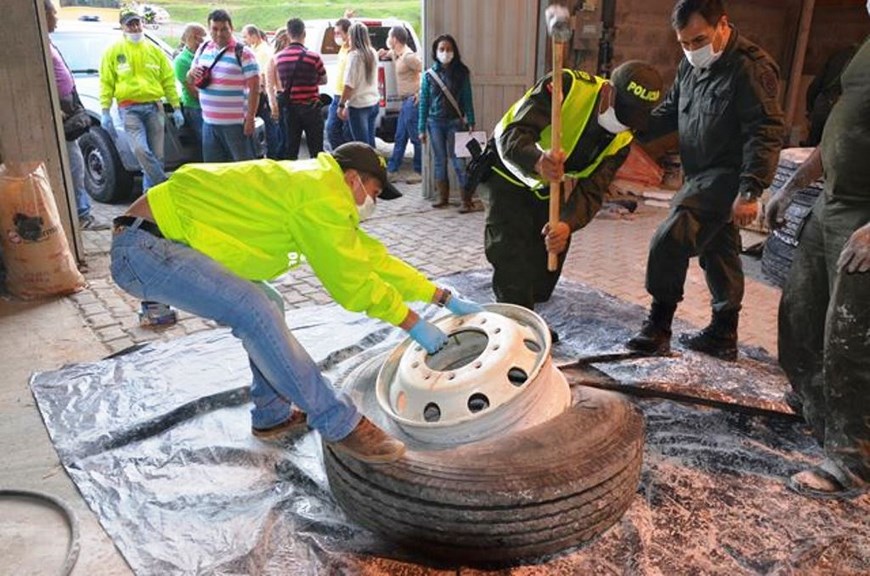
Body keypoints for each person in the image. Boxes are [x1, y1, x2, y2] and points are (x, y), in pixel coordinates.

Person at [109, 142, 484, 464]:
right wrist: (411, 322)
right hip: (144, 247)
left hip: (163, 240)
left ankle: (270, 415)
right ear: (351, 178)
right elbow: (351, 284)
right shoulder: (321, 195)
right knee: (254, 308)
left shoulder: (317, 188)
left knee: (267, 301)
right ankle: (339, 423)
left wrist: (441, 297)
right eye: (372, 190)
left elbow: (374, 260)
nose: (372, 202)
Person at [626, 0, 785, 360]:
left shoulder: (750, 69)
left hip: (727, 176)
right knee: (720, 251)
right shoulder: (690, 67)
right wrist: (627, 122)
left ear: (723, 25)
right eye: (683, 43)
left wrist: (750, 189)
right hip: (699, 173)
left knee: (670, 238)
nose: (691, 50)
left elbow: (765, 131)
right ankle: (723, 332)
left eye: (698, 40)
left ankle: (658, 326)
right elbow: (670, 114)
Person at [766, 31, 870, 499]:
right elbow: (842, 130)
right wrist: (790, 189)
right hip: (830, 204)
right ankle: (816, 405)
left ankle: (853, 461)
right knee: (800, 315)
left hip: (864, 217)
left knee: (849, 342)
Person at [483, 61, 662, 319]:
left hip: (548, 183)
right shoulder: (565, 86)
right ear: (608, 91)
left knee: (547, 263)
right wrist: (537, 160)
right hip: (507, 169)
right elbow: (514, 134)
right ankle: (519, 324)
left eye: (634, 116)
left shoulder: (624, 138)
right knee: (512, 254)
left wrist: (567, 224)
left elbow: (593, 189)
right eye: (623, 111)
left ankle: (529, 306)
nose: (624, 123)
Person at [99, 8, 184, 192]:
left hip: (155, 107)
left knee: (157, 156)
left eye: (137, 23)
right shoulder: (114, 52)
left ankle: (151, 199)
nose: (135, 27)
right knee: (141, 151)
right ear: (122, 27)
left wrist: (176, 106)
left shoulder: (155, 50)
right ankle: (165, 186)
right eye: (130, 24)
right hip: (129, 110)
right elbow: (106, 82)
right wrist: (105, 111)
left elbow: (168, 80)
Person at [44, 0, 109, 230]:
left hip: (69, 107)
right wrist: (52, 106)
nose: (56, 18)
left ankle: (80, 213)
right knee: (74, 166)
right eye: (53, 14)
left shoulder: (48, 41)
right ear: (43, 15)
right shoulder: (38, 44)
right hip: (60, 114)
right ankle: (81, 215)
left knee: (75, 164)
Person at [188, 9, 259, 162]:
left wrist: (250, 119)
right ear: (209, 29)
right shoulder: (203, 49)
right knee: (214, 171)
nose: (219, 33)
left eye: (224, 29)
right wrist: (191, 72)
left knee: (242, 168)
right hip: (209, 123)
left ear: (231, 29)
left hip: (236, 125)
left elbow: (255, 87)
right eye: (214, 29)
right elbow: (189, 78)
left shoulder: (243, 53)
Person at [418, 34, 476, 210]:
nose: (445, 52)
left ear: (454, 52)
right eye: (441, 49)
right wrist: (421, 128)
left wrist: (471, 120)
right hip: (434, 123)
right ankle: (442, 197)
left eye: (449, 49)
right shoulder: (429, 76)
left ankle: (466, 200)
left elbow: (467, 97)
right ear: (435, 52)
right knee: (440, 161)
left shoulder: (462, 72)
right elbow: (424, 102)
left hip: (455, 123)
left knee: (459, 161)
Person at [269, 18, 327, 160]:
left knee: (291, 149)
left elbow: (278, 84)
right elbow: (324, 80)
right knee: (316, 150)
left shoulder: (278, 58)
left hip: (290, 109)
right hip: (311, 108)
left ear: (288, 34)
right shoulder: (313, 57)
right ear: (304, 33)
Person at [379, 25, 423, 181]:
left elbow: (425, 70)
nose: (388, 40)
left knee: (416, 138)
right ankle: (392, 170)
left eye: (389, 37)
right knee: (400, 137)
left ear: (395, 39)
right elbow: (388, 52)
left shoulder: (408, 56)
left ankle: (420, 172)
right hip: (404, 103)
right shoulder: (396, 54)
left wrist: (420, 93)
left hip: (412, 101)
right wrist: (383, 52)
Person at [803, 43, 857, 147]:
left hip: (822, 104)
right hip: (841, 111)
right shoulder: (861, 61)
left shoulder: (839, 55)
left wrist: (809, 112)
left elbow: (814, 86)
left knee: (811, 149)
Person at [243, 24, 282, 159]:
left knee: (267, 126)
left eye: (246, 36)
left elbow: (263, 75)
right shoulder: (255, 49)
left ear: (254, 36)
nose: (245, 39)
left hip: (262, 94)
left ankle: (273, 155)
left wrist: (261, 93)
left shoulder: (263, 51)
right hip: (257, 92)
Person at [337, 22, 380, 147]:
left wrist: (341, 105)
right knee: (371, 144)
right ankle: (375, 165)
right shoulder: (372, 52)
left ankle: (365, 166)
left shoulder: (355, 56)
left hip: (358, 106)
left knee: (362, 146)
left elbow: (349, 84)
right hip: (373, 102)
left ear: (352, 37)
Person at [173, 23, 207, 144]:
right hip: (196, 108)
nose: (203, 41)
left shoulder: (207, 55)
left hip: (209, 107)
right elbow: (193, 91)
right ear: (190, 38)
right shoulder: (182, 61)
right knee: (206, 141)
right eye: (200, 38)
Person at [326, 18, 353, 151]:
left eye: (338, 33)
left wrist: (345, 104)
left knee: (348, 133)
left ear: (348, 34)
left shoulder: (353, 51)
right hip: (337, 94)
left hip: (347, 96)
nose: (336, 36)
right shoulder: (343, 47)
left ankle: (348, 158)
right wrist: (346, 17)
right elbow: (346, 26)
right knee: (331, 129)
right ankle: (342, 155)